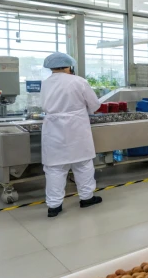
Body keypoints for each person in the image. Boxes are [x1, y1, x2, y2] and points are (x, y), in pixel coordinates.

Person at [40, 52, 103, 217]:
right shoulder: (79, 81)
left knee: (54, 169)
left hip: (53, 129)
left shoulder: (45, 84)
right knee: (82, 165)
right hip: (77, 128)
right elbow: (95, 105)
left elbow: (43, 105)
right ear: (69, 66)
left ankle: (54, 206)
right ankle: (86, 198)